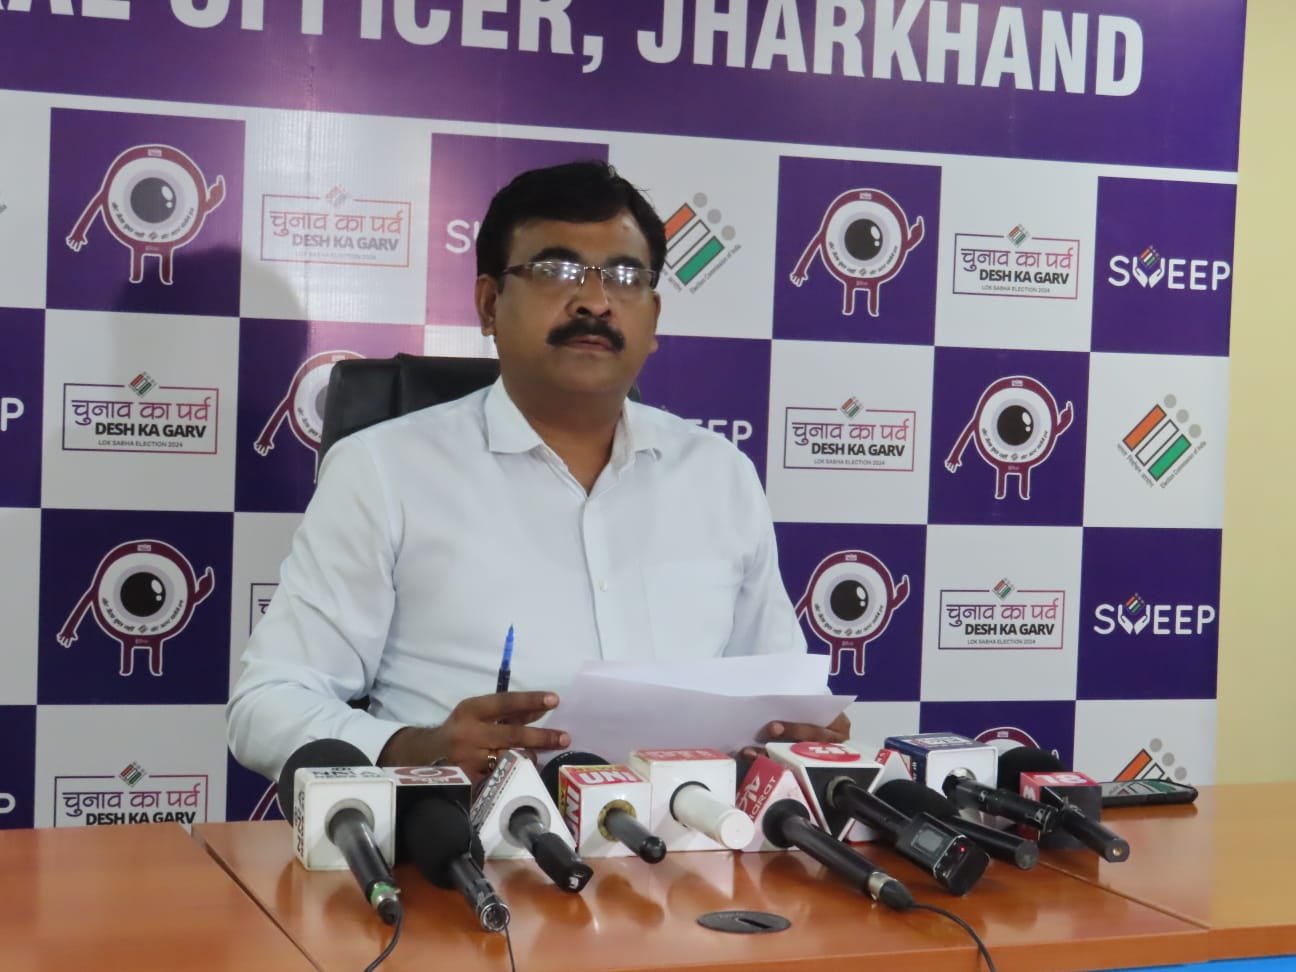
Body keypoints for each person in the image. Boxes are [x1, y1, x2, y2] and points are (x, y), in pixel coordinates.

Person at [227, 161, 848, 783]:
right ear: (489, 304)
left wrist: (800, 731)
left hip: (691, 836)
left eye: (625, 277)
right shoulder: (384, 471)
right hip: (463, 835)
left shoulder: (720, 475)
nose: (596, 302)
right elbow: (268, 704)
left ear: (654, 317)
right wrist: (413, 749)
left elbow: (779, 696)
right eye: (556, 271)